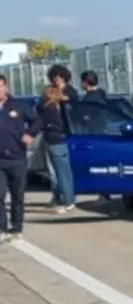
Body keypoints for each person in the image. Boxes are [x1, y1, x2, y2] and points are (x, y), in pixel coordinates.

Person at [0, 76, 36, 243]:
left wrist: (30, 134)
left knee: (17, 195)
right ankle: (2, 227)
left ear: (6, 87)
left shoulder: (19, 106)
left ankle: (16, 227)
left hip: (17, 158)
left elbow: (37, 121)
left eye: (1, 86)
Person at [37, 80, 77, 212]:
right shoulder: (62, 106)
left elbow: (41, 123)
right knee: (66, 172)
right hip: (63, 140)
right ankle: (70, 199)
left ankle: (66, 201)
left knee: (59, 173)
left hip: (53, 140)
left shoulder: (48, 108)